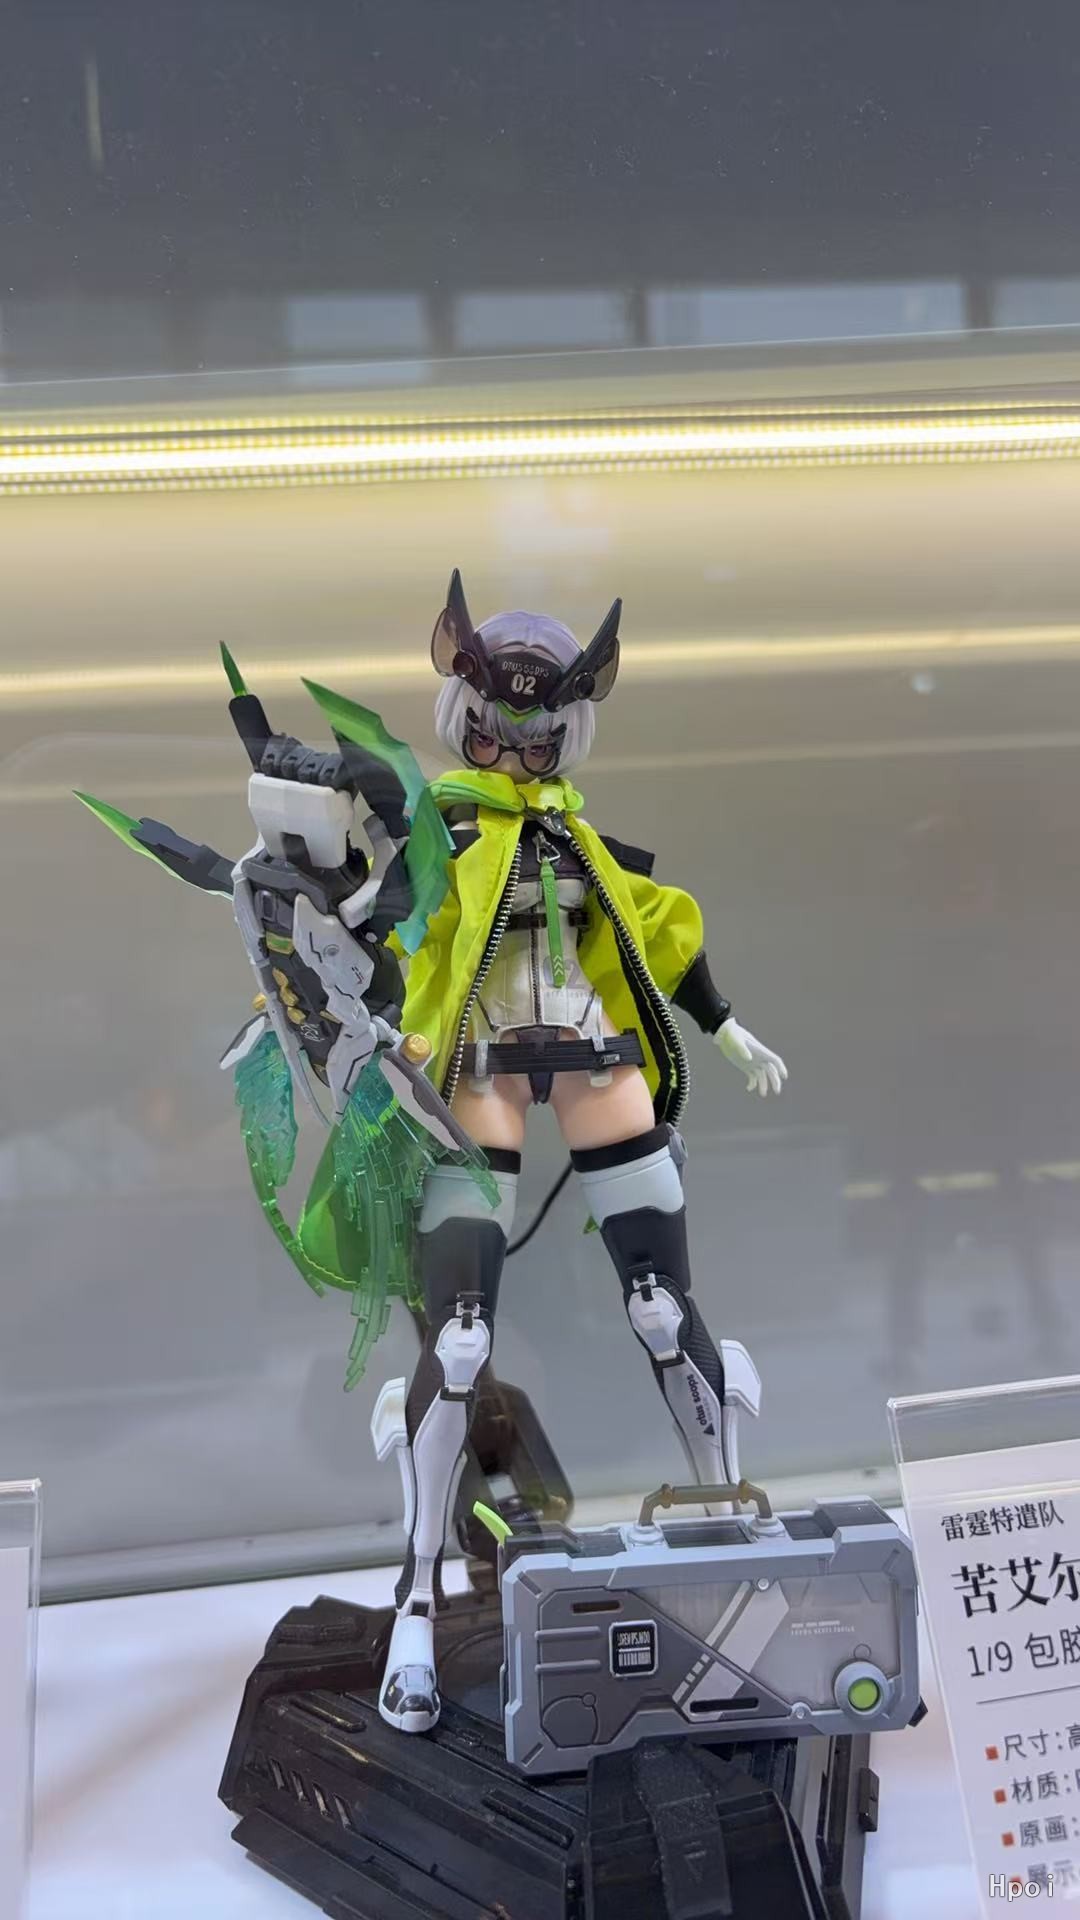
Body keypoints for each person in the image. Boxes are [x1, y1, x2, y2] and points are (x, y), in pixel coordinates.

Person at [377, 571, 788, 1734]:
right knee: (461, 1339)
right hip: (479, 1063)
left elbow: (656, 929)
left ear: (568, 730)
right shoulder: (439, 835)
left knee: (662, 1308)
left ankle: (730, 1532)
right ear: (463, 718)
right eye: (494, 735)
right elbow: (383, 930)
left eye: (536, 736)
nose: (515, 753)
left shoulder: (576, 835)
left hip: (597, 1056)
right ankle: (416, 1601)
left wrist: (725, 1026)